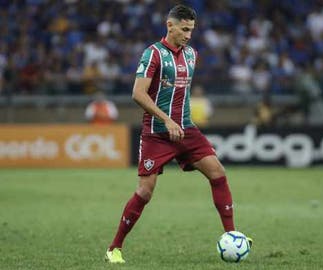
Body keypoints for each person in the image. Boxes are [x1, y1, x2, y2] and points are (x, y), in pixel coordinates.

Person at [104, 5, 251, 264]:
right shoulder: (153, 54)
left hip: (186, 129)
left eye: (192, 30)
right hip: (156, 132)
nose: (188, 35)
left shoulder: (192, 54)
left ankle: (231, 234)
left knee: (218, 173)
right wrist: (166, 120)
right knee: (145, 191)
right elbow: (138, 94)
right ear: (169, 25)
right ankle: (114, 248)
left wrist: (179, 122)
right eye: (184, 29)